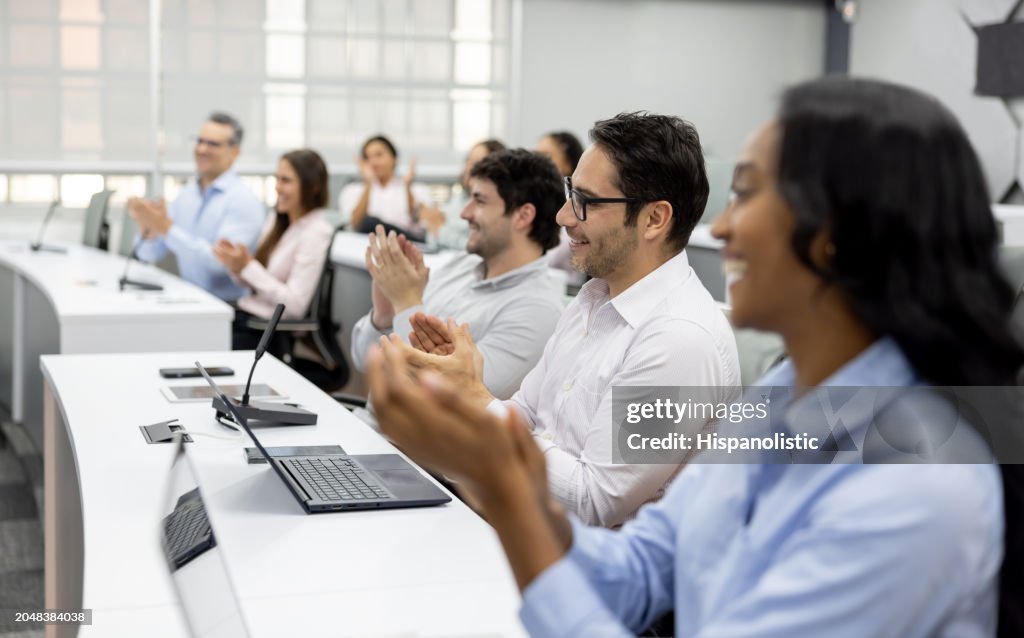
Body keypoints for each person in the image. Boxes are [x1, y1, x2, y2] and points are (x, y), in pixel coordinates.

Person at [368, 77, 1024, 636]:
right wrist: (494, 448)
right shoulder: (784, 391)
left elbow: (597, 500)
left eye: (749, 193)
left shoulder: (911, 488)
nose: (724, 227)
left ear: (833, 238)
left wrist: (494, 449)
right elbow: (649, 563)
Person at [380, 113, 740, 527]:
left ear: (654, 219)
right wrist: (461, 394)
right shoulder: (593, 298)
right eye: (571, 193)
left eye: (586, 201)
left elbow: (594, 503)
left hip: (596, 577)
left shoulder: (679, 339)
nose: (564, 216)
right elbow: (526, 416)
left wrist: (475, 401)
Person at [351, 148, 564, 402]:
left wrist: (406, 302)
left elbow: (450, 406)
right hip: (369, 426)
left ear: (523, 215)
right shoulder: (462, 266)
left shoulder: (537, 311)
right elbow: (364, 361)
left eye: (480, 201)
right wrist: (385, 315)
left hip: (404, 441)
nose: (464, 213)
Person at [130, 112, 265, 301]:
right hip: (191, 300)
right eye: (199, 141)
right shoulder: (187, 194)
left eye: (212, 144)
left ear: (234, 153)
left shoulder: (243, 201)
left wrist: (167, 230)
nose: (202, 149)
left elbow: (218, 264)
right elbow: (148, 254)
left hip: (228, 310)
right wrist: (149, 230)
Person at [214, 149, 335, 350]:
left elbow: (295, 307)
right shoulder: (277, 221)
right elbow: (258, 285)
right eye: (277, 179)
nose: (277, 188)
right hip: (246, 319)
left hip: (266, 334)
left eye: (286, 180)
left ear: (312, 186)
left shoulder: (316, 232)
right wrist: (237, 266)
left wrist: (248, 267)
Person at [418, 139, 507, 249]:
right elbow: (432, 234)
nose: (467, 168)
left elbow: (479, 247)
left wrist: (441, 230)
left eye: (476, 163)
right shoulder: (459, 197)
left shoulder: (492, 206)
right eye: (468, 160)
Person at [339, 135, 431, 239]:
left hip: (406, 244)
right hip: (366, 245)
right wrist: (368, 184)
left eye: (379, 155)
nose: (373, 162)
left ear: (394, 158)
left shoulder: (416, 189)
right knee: (368, 223)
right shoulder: (352, 190)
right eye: (367, 158)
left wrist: (408, 188)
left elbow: (421, 225)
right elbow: (354, 224)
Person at [537, 131, 585, 285]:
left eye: (547, 156)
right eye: (536, 156)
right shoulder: (540, 201)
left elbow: (551, 258)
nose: (538, 163)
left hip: (566, 289)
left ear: (568, 163)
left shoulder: (575, 206)